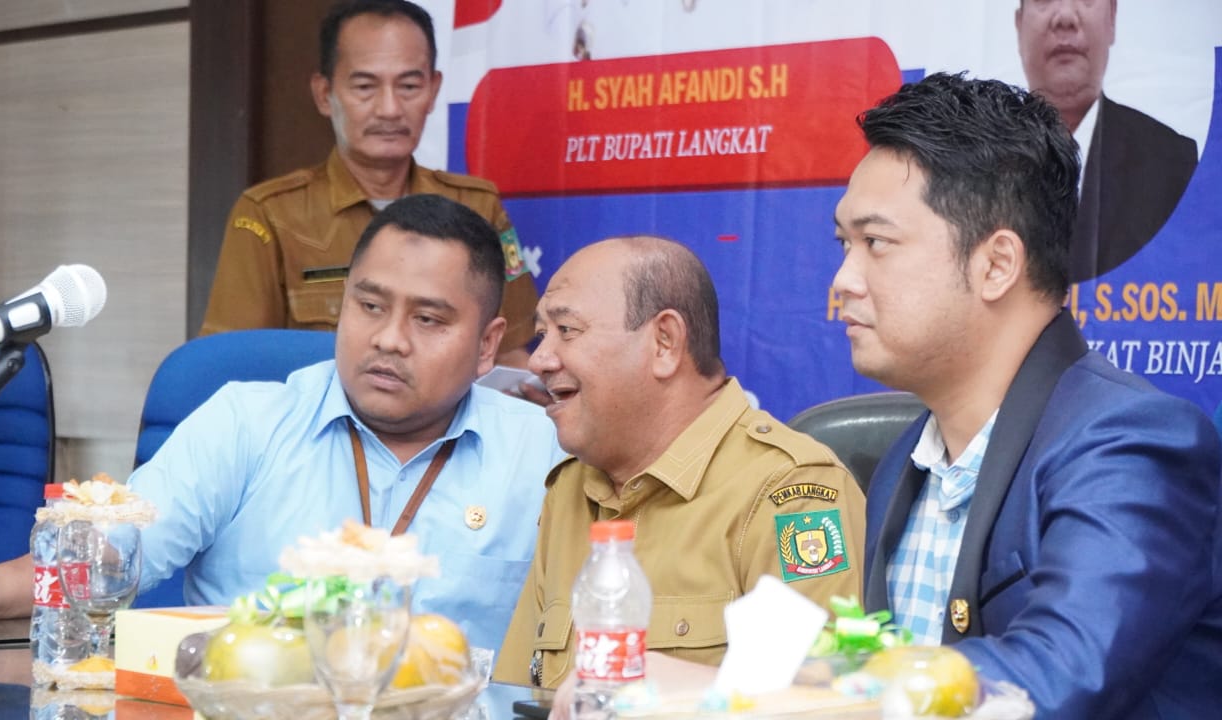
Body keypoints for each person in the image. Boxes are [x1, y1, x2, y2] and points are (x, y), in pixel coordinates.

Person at [0, 194, 564, 653]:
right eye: (370, 305)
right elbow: (112, 551)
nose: (389, 339)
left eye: (428, 320)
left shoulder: (543, 453)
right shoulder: (246, 422)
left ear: (487, 345)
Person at [833, 72, 1222, 719]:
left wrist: (820, 693)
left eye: (876, 243)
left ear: (996, 265)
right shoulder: (905, 460)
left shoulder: (1132, 444)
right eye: (844, 244)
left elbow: (1058, 676)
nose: (844, 279)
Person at [494, 236, 866, 691]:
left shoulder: (789, 493)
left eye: (567, 330)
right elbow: (512, 697)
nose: (539, 359)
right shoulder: (570, 489)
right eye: (541, 334)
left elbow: (812, 701)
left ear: (664, 342)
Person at [200, 0, 539, 368]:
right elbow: (232, 364)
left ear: (433, 89)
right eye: (365, 86)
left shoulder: (476, 207)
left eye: (409, 85)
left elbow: (508, 354)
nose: (389, 108)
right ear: (324, 94)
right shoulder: (271, 216)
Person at [1015, 0, 1197, 281]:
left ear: (1112, 18)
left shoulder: (1173, 163)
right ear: (1019, 25)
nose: (1065, 17)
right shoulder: (978, 160)